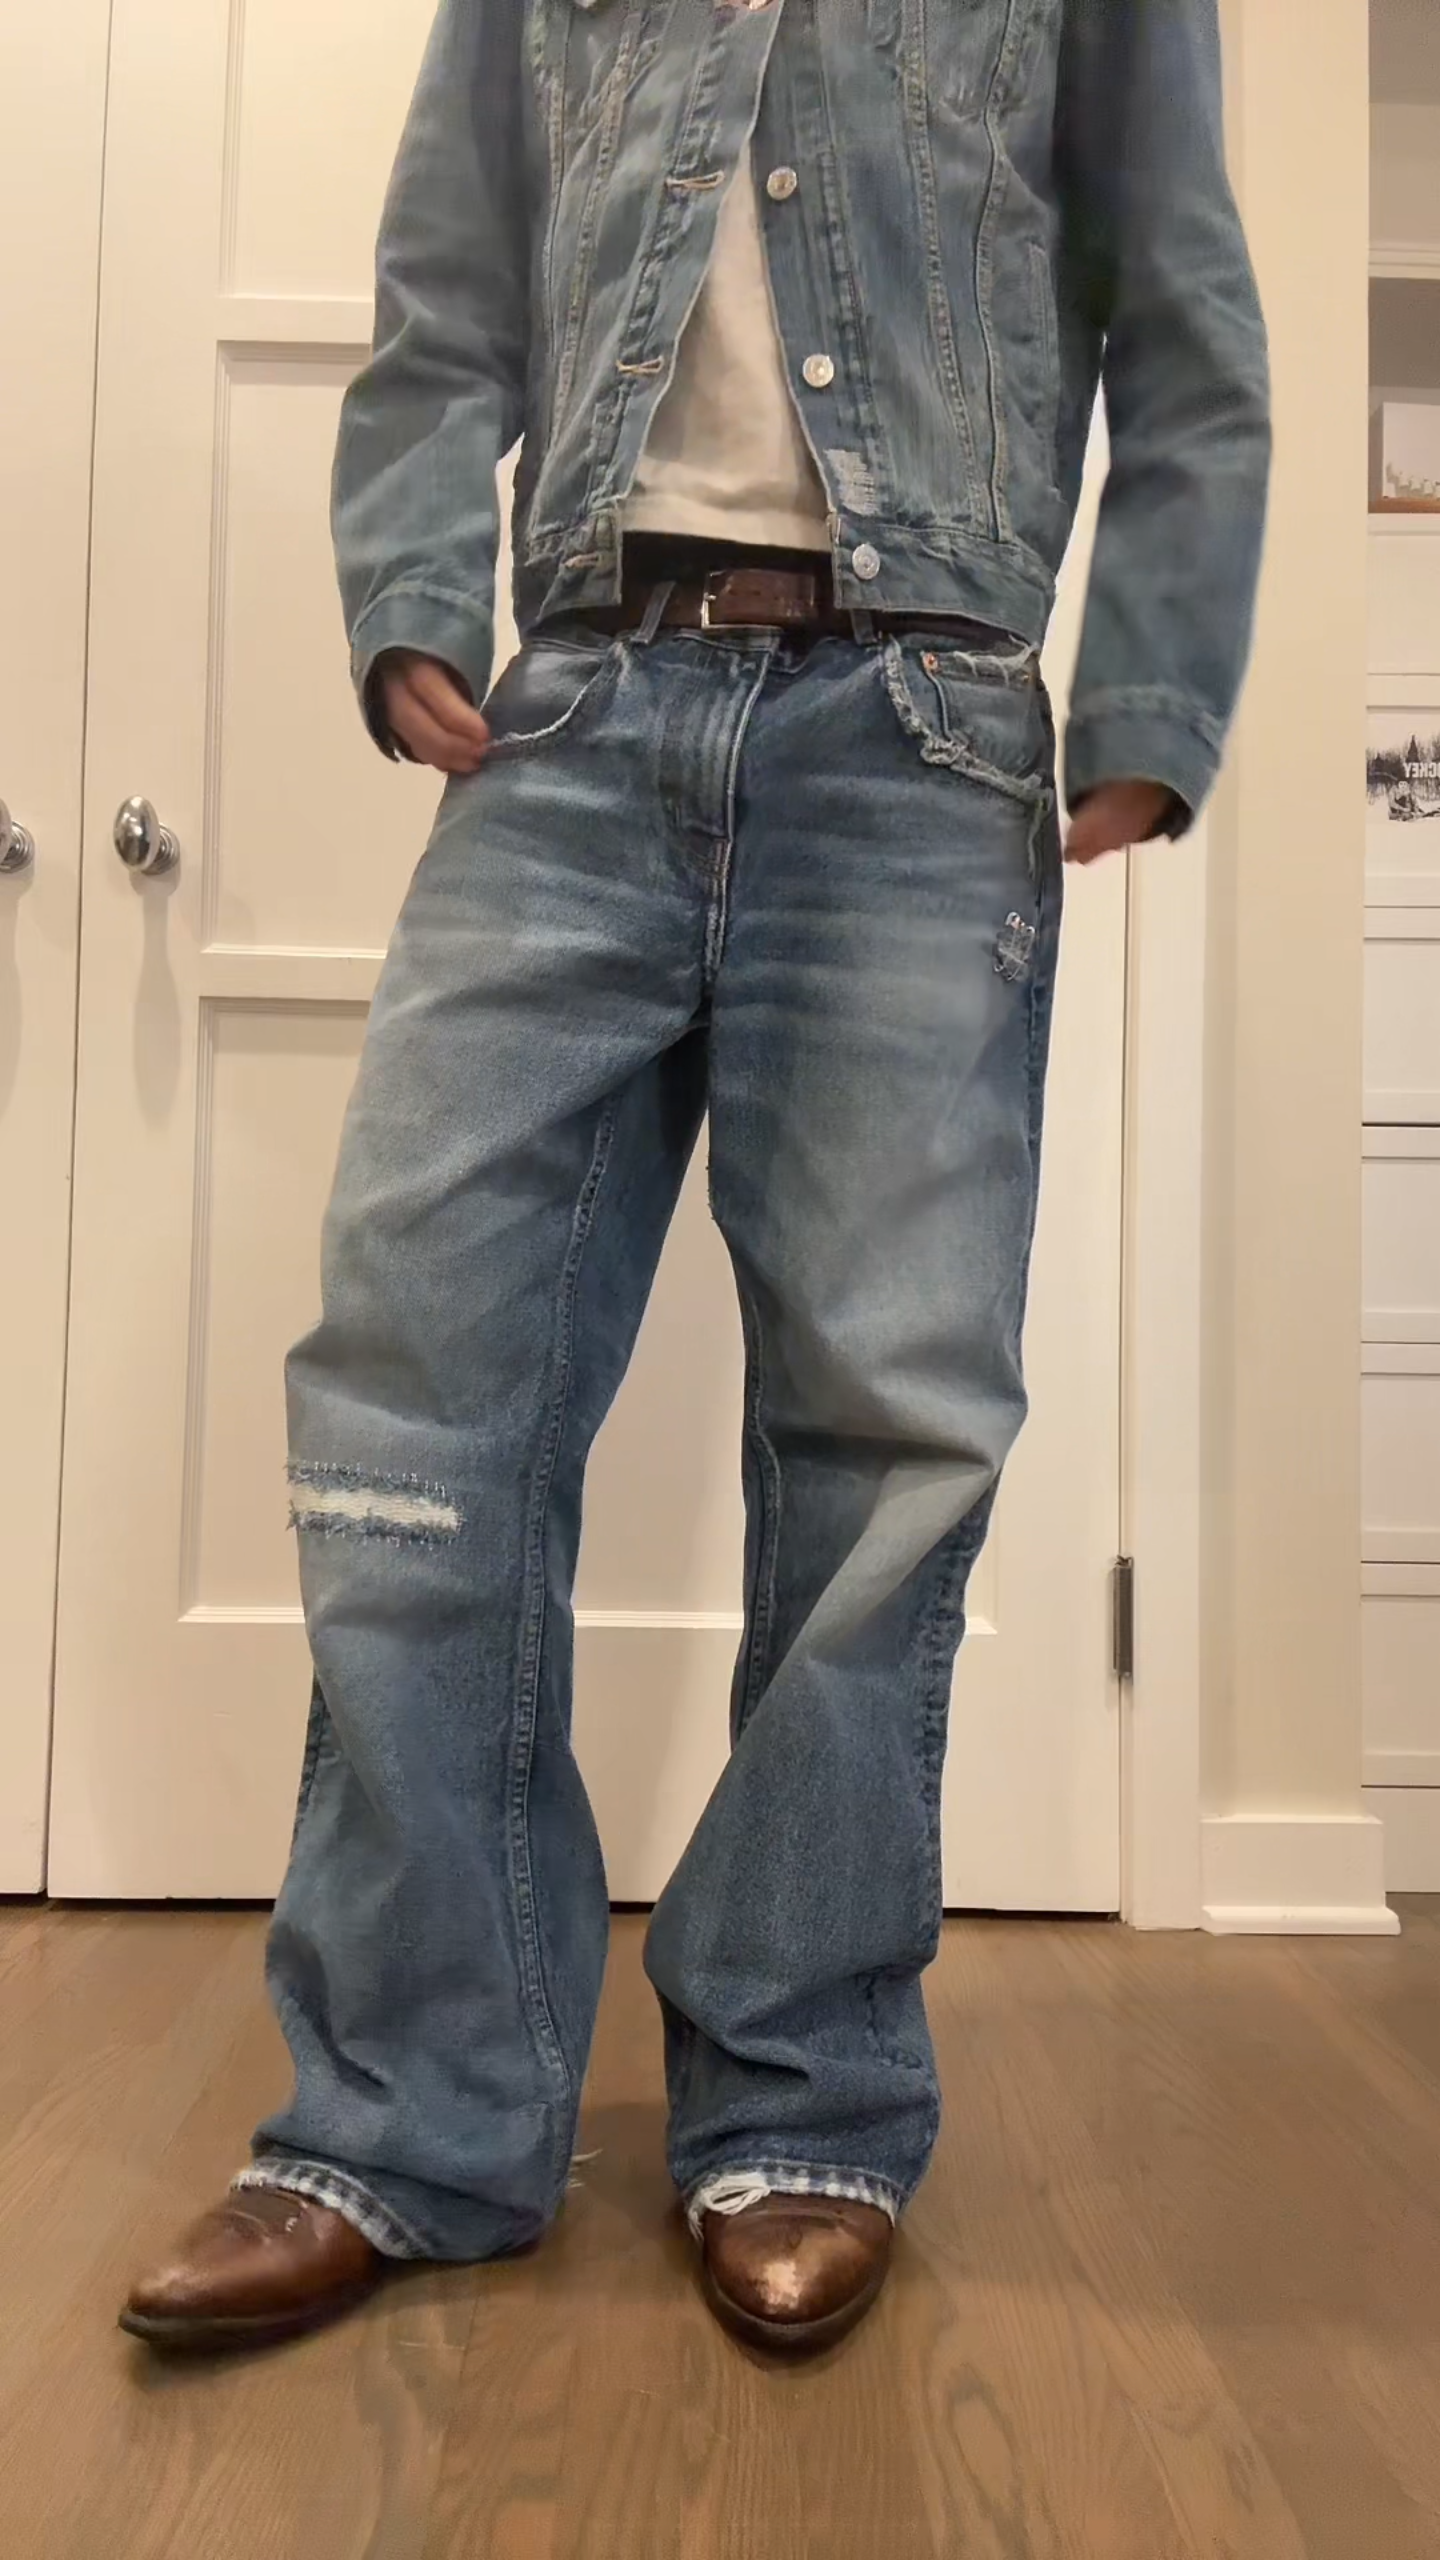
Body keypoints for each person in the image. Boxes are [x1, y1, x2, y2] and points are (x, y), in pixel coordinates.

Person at [122, 0, 1269, 2357]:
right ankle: (404, 2115)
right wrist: (410, 584)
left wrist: (1153, 691)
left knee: (882, 1441)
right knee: (414, 1410)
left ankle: (806, 2096)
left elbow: (1187, 317)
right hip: (574, 706)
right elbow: (446, 291)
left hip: (920, 721)